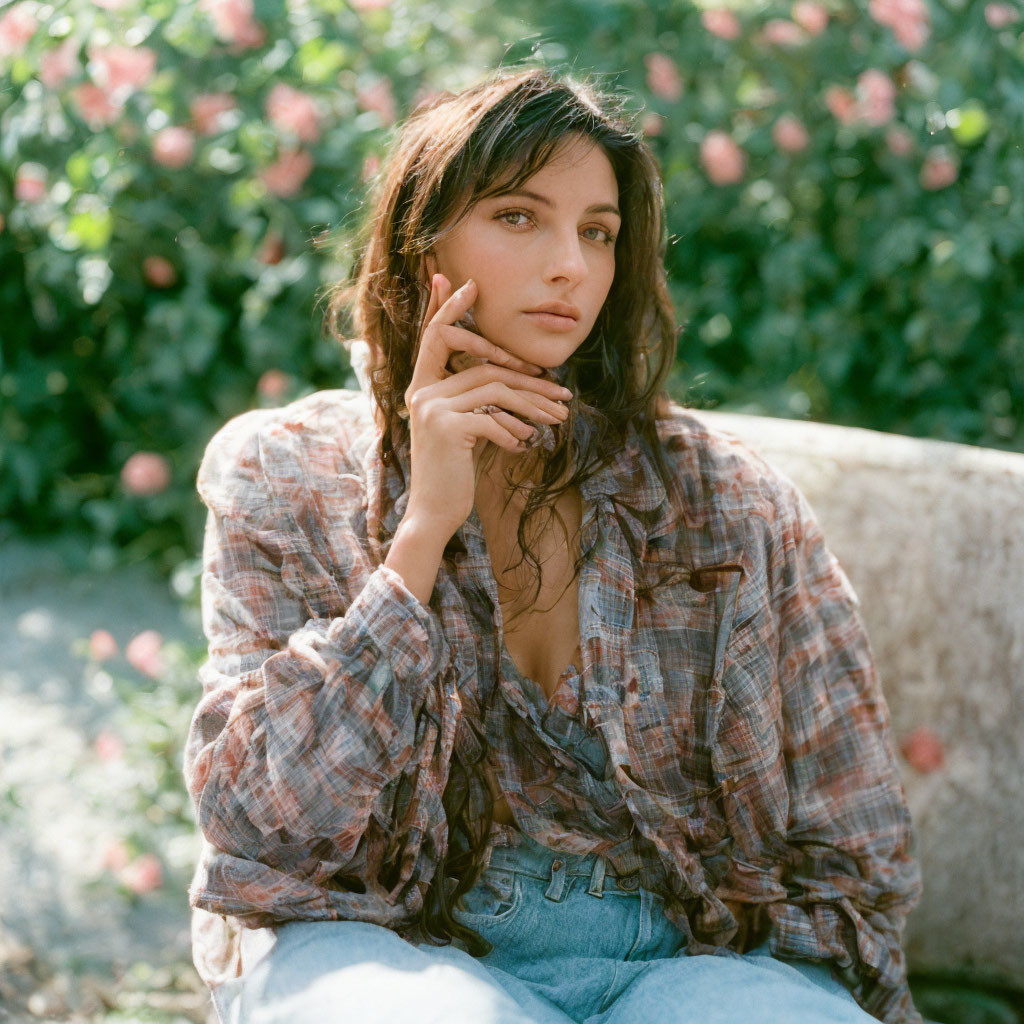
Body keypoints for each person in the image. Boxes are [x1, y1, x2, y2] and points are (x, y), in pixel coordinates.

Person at [183, 67, 923, 1024]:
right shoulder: (284, 473)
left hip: (679, 961)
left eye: (598, 231)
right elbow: (259, 823)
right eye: (521, 217)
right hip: (390, 944)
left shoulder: (726, 499)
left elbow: (854, 833)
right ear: (423, 246)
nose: (571, 263)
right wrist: (418, 544)